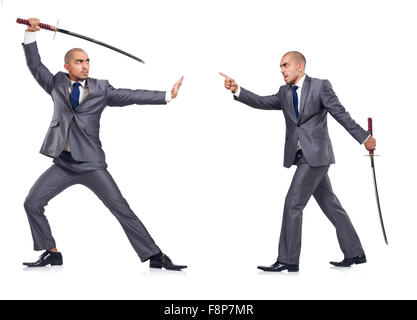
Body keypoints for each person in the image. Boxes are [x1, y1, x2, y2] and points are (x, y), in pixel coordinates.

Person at [22, 18, 186, 271]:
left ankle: (155, 255)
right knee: (32, 203)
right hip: (63, 164)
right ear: (67, 66)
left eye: (88, 61)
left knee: (122, 209)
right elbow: (35, 65)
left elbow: (131, 96)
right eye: (79, 61)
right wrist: (31, 35)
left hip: (91, 165)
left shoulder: (101, 89)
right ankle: (51, 252)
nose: (85, 65)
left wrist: (167, 96)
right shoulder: (56, 83)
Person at [220, 51, 376, 272]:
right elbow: (262, 102)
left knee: (293, 203)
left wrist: (364, 138)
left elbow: (340, 113)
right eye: (280, 67)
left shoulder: (320, 86)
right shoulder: (284, 92)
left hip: (317, 156)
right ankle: (355, 252)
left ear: (300, 67)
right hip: (301, 156)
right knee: (331, 204)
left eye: (285, 65)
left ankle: (288, 260)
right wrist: (237, 89)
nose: (282, 70)